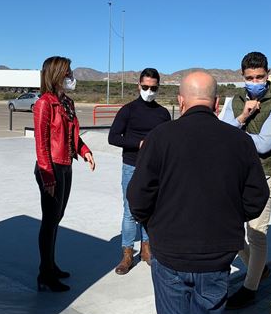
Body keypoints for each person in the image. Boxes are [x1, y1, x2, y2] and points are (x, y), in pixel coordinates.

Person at [127, 71, 269, 314]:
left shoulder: (159, 138)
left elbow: (137, 198)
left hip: (169, 256)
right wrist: (230, 217)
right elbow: (257, 197)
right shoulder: (239, 142)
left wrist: (154, 223)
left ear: (180, 101)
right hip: (217, 257)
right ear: (217, 104)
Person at [222, 52, 271, 309]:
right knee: (230, 227)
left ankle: (250, 288)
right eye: (250, 77)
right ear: (243, 77)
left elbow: (264, 145)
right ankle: (258, 269)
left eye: (259, 77)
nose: (255, 81)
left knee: (257, 233)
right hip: (235, 174)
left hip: (263, 175)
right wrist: (241, 117)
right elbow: (222, 131)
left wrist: (233, 130)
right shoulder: (236, 99)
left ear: (267, 74)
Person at [33, 56, 96, 293]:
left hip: (65, 166)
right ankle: (45, 274)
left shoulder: (67, 103)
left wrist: (85, 150)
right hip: (50, 168)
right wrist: (48, 176)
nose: (71, 77)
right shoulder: (44, 104)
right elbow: (41, 144)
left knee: (56, 218)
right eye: (68, 73)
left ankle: (51, 265)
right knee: (49, 221)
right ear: (56, 75)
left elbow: (72, 136)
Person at [108, 68, 171, 275]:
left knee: (151, 210)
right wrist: (139, 143)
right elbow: (114, 137)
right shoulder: (128, 110)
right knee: (130, 212)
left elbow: (169, 140)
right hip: (132, 167)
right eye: (145, 87)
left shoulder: (163, 113)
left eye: (153, 88)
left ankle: (147, 250)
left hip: (155, 169)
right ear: (139, 86)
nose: (149, 91)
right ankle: (127, 254)